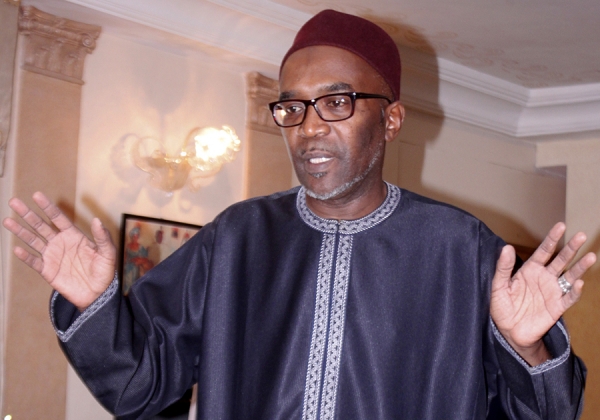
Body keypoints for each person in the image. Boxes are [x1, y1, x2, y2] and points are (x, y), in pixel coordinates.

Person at [2, 9, 596, 420]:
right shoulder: (236, 238)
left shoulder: (460, 247)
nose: (310, 128)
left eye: (336, 102)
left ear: (390, 119)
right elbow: (141, 385)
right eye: (292, 108)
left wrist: (528, 350)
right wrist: (94, 305)